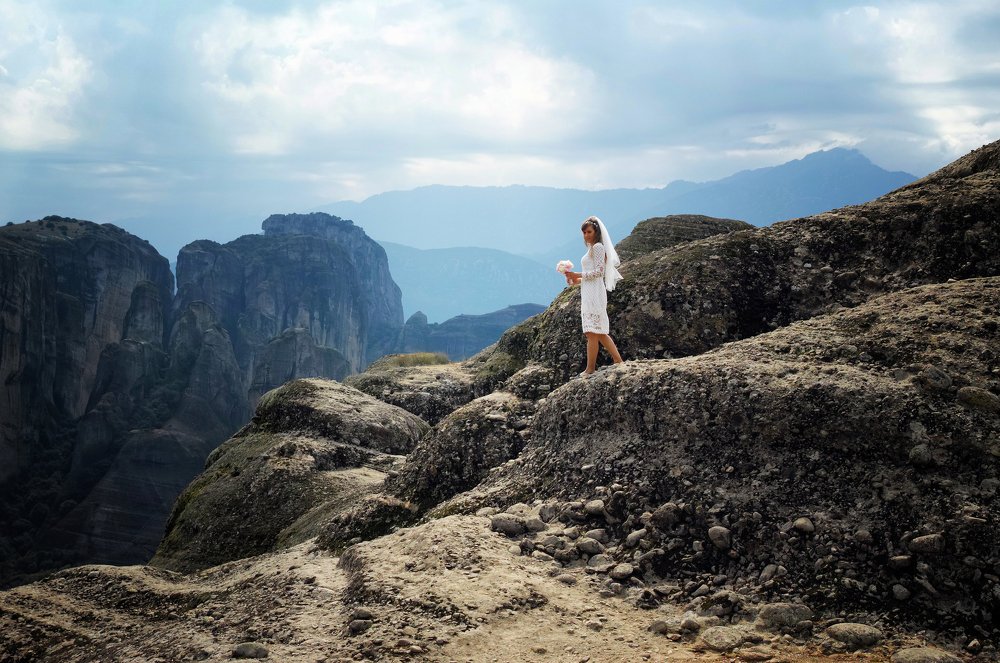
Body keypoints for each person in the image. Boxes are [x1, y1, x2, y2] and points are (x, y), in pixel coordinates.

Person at [564, 216, 624, 376]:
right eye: (584, 232)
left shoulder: (598, 247)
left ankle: (590, 369)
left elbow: (599, 272)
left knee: (591, 331)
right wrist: (575, 280)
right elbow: (590, 276)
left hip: (595, 292)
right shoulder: (591, 249)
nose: (586, 235)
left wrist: (577, 273)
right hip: (589, 290)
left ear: (596, 231)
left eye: (589, 231)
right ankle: (618, 361)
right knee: (599, 332)